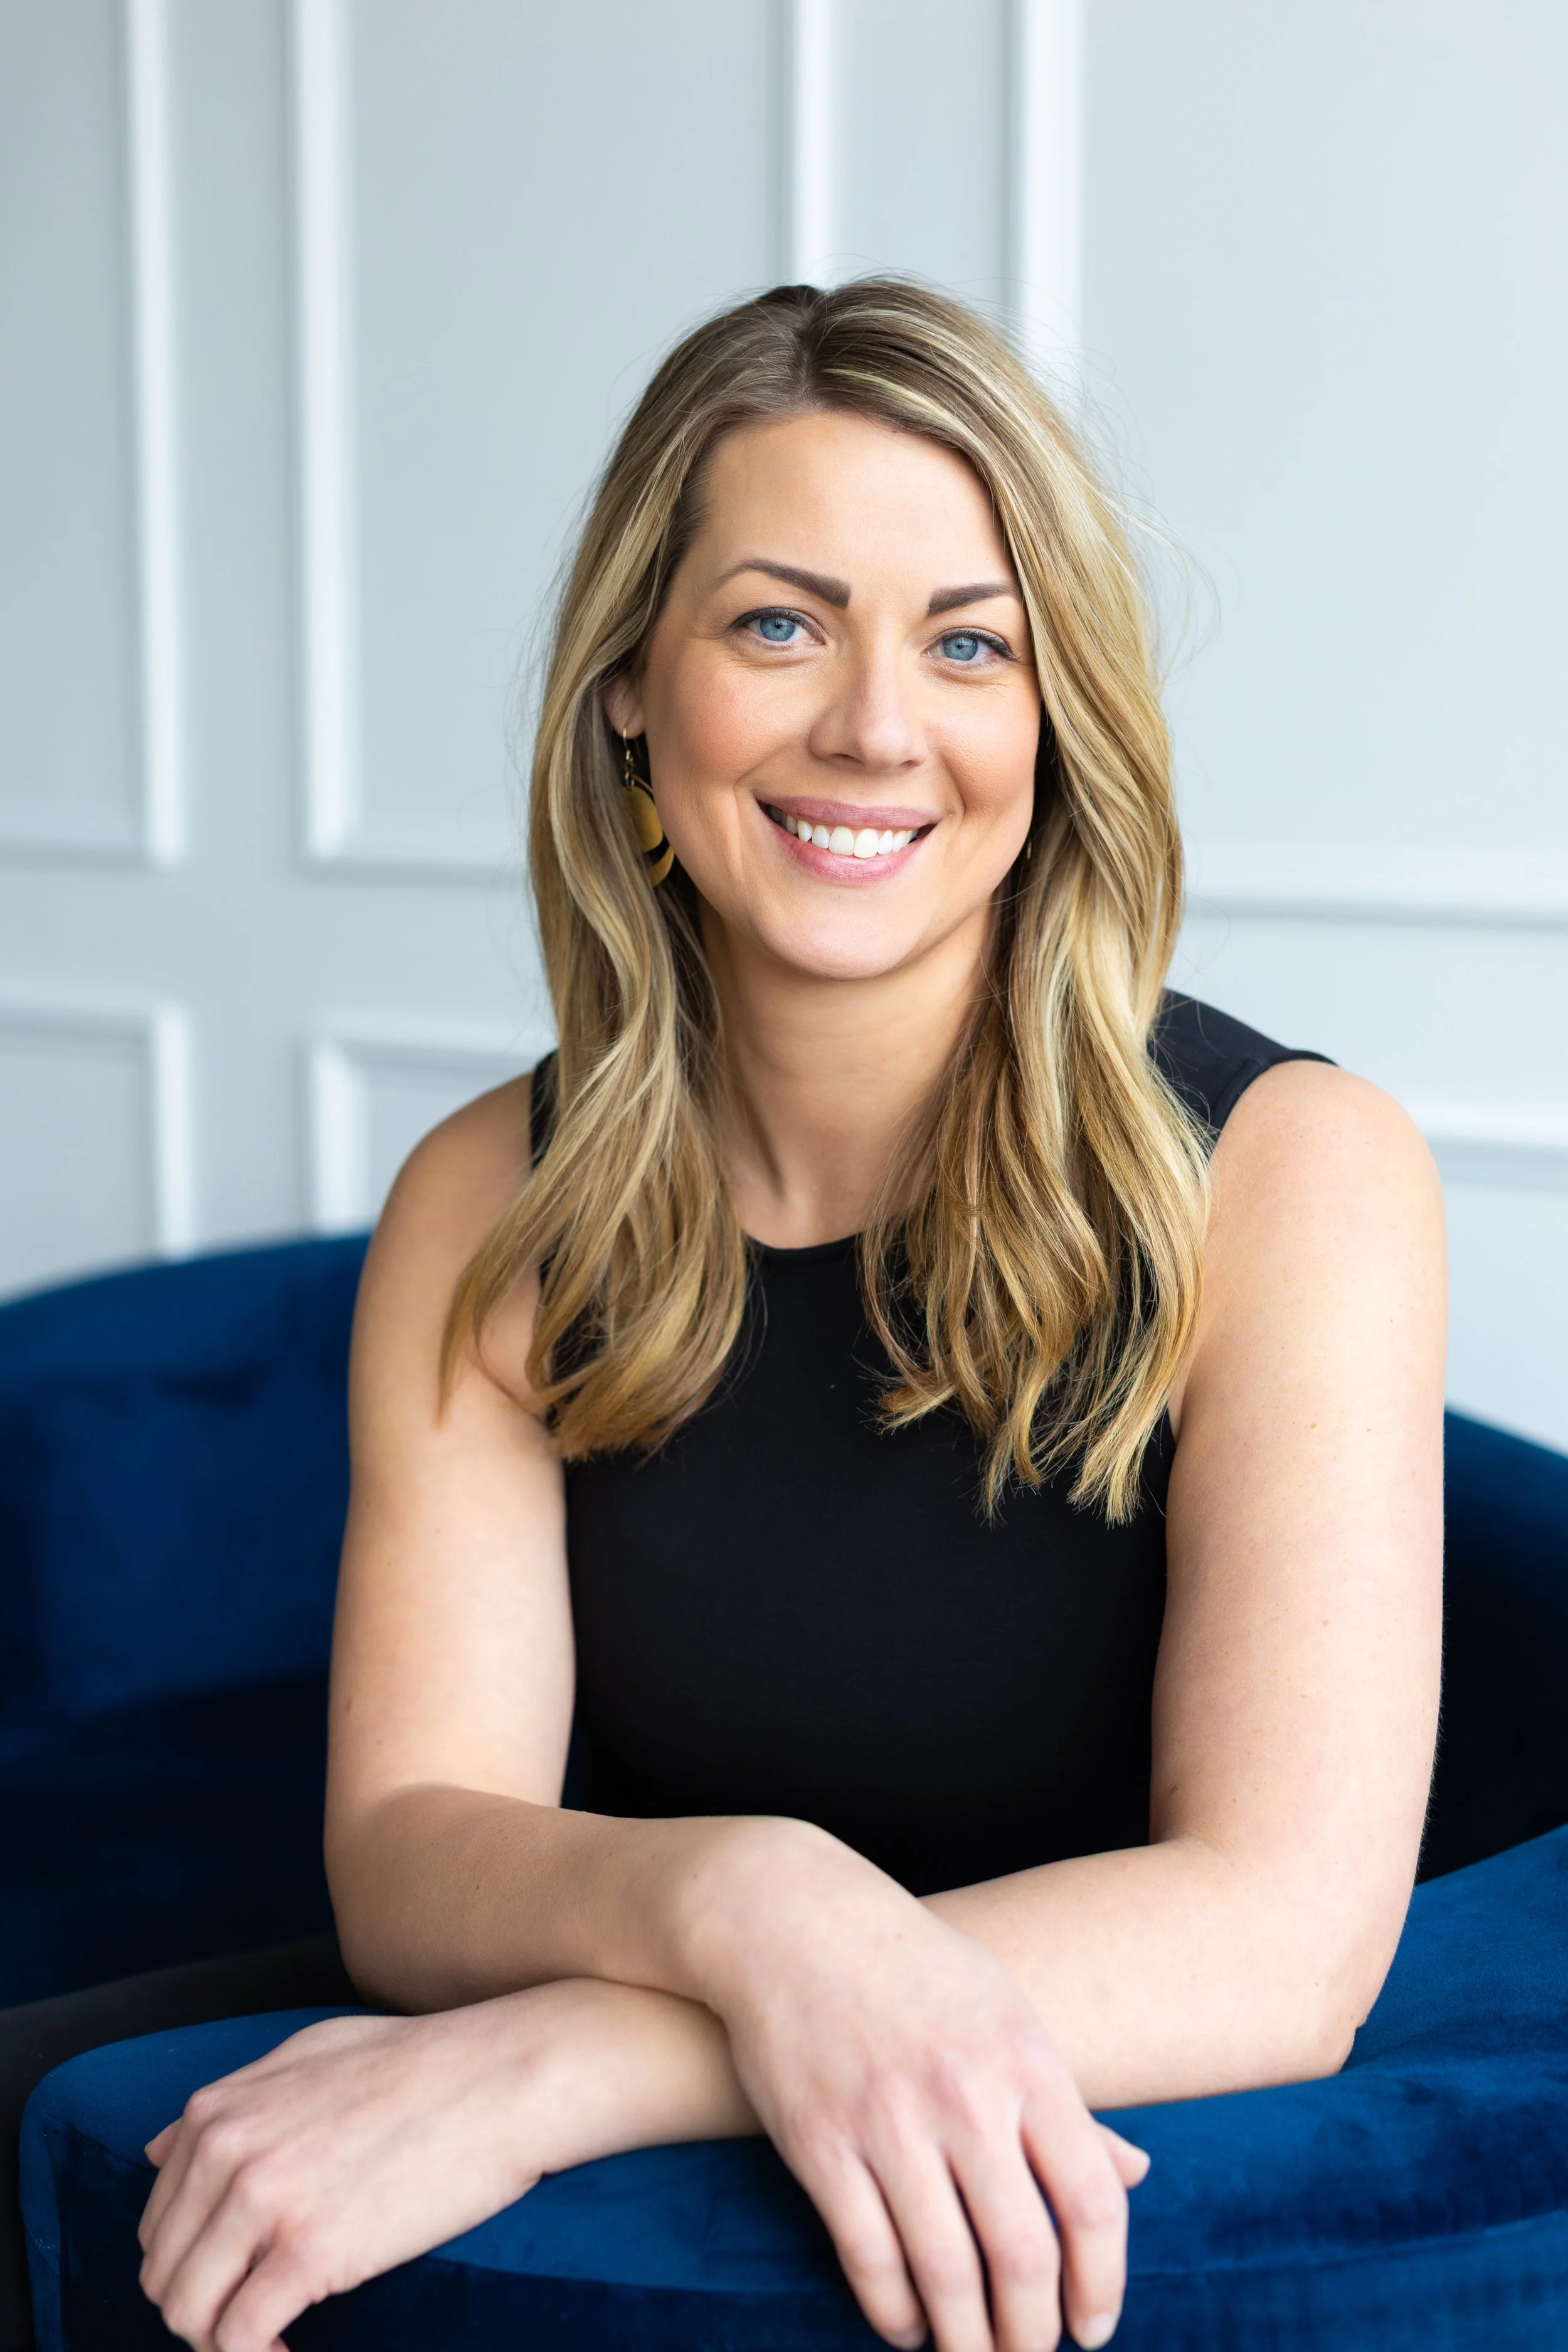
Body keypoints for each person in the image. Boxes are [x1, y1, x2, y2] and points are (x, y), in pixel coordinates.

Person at [45, 281, 1449, 2352]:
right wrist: (748, 1895)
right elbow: (414, 1847)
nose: (877, 726)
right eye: (778, 622)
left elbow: (1280, 1939)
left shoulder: (1289, 1168)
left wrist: (575, 2062)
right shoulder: (486, 1199)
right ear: (631, 687)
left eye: (968, 641)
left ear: (1051, 721)